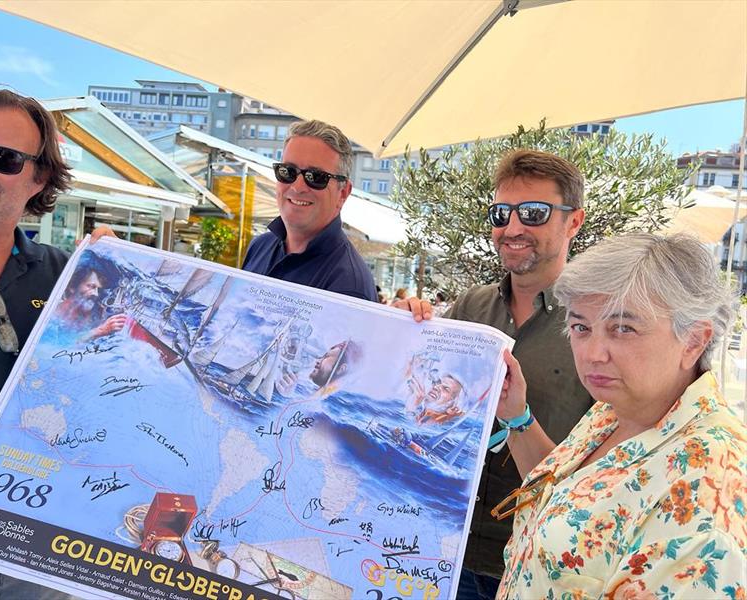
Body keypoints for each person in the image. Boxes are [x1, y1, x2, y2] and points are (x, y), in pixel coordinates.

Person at [495, 232, 746, 598]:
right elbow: (575, 497)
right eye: (581, 327)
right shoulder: (615, 410)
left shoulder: (709, 486)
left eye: (623, 328)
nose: (593, 352)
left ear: (693, 340)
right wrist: (517, 417)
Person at [397, 149, 594, 598]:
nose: (513, 227)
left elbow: (597, 468)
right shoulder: (469, 308)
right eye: (501, 213)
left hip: (533, 561)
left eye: (534, 213)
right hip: (442, 551)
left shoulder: (594, 325)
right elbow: (423, 402)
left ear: (574, 222)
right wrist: (403, 334)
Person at [0, 88, 107, 600]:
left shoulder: (71, 278)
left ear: (39, 177)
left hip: (42, 561)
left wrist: (126, 277)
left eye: (4, 158)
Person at [242, 119, 377, 301]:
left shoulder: (350, 285)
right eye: (288, 171)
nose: (298, 187)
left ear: (343, 192)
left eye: (315, 177)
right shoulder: (259, 247)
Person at [55, 265, 126, 340]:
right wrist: (100, 331)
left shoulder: (94, 315)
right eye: (91, 286)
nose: (96, 294)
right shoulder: (52, 313)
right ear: (72, 286)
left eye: (99, 290)